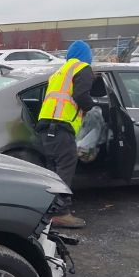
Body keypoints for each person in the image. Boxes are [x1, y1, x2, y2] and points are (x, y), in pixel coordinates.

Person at [35, 40, 95, 229]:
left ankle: (49, 209)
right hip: (61, 126)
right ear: (86, 56)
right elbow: (81, 96)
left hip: (46, 126)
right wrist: (92, 108)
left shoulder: (59, 73)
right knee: (65, 167)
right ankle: (60, 213)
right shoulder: (83, 68)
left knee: (53, 170)